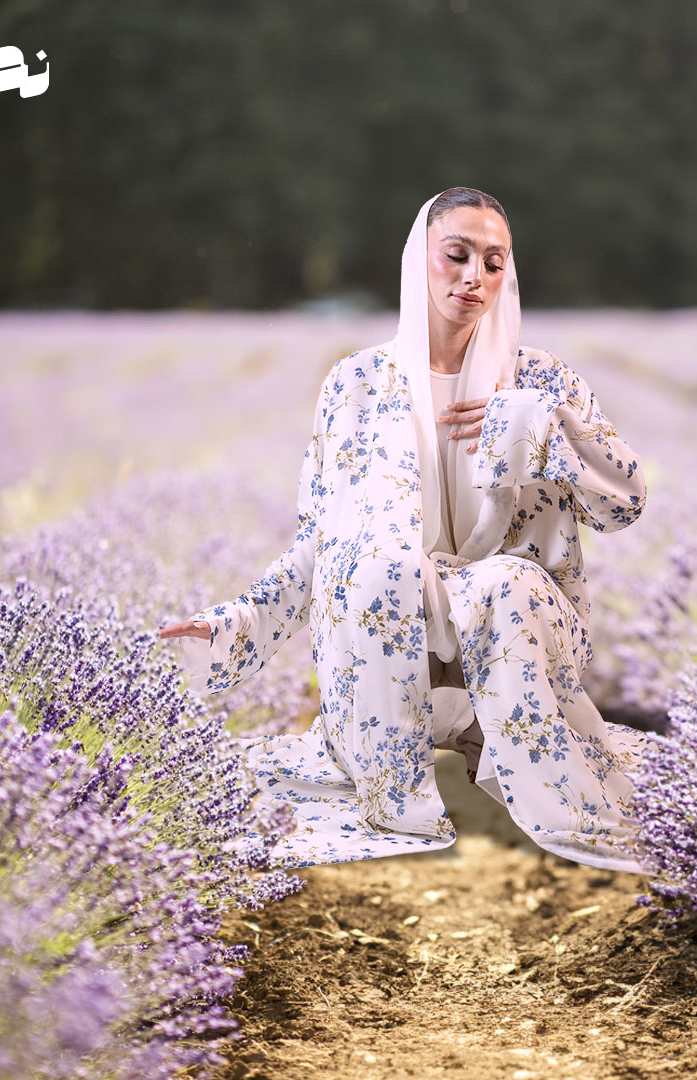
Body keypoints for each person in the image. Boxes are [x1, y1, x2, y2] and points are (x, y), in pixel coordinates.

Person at [159, 187, 653, 875]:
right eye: (456, 255)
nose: (473, 276)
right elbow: (321, 542)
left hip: (512, 615)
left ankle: (540, 779)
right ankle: (393, 793)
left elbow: (624, 503)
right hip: (396, 609)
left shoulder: (541, 381)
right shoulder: (356, 384)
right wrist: (236, 622)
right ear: (417, 259)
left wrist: (540, 425)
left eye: (493, 262)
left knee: (507, 581)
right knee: (377, 565)